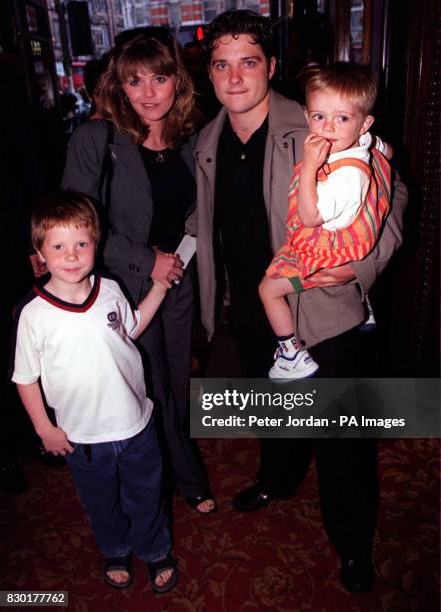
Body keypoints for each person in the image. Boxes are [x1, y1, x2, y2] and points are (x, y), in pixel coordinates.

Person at [195, 10, 408, 592]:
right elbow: (204, 216)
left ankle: (353, 542)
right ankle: (278, 477)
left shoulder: (318, 123)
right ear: (210, 73)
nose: (234, 77)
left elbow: (389, 193)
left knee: (342, 435)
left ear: (270, 66)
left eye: (248, 62)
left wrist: (358, 267)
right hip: (255, 303)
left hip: (320, 301)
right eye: (221, 64)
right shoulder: (207, 140)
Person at [62, 28, 215, 514]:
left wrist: (180, 263)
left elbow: (201, 212)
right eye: (135, 81)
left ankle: (178, 471)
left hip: (180, 281)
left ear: (178, 81)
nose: (148, 93)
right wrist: (149, 261)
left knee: (178, 384)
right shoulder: (97, 138)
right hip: (124, 288)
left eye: (159, 78)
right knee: (143, 389)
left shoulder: (195, 137)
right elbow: (79, 226)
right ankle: (172, 480)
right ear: (119, 87)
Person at [10, 192, 178, 592]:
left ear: (95, 245)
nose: (71, 255)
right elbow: (25, 378)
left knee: (146, 493)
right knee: (101, 501)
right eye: (59, 246)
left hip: (135, 425)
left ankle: (155, 549)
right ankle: (115, 548)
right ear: (40, 253)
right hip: (83, 438)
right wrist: (44, 430)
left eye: (81, 244)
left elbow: (131, 328)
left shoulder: (110, 289)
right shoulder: (33, 314)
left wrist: (158, 287)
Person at [259, 62, 392, 381]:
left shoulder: (345, 176)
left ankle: (292, 353)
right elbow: (386, 149)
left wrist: (309, 169)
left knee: (268, 290)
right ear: (307, 116)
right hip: (354, 239)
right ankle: (366, 304)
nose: (328, 128)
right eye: (319, 117)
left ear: (364, 123)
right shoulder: (365, 142)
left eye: (342, 118)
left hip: (327, 255)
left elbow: (309, 216)